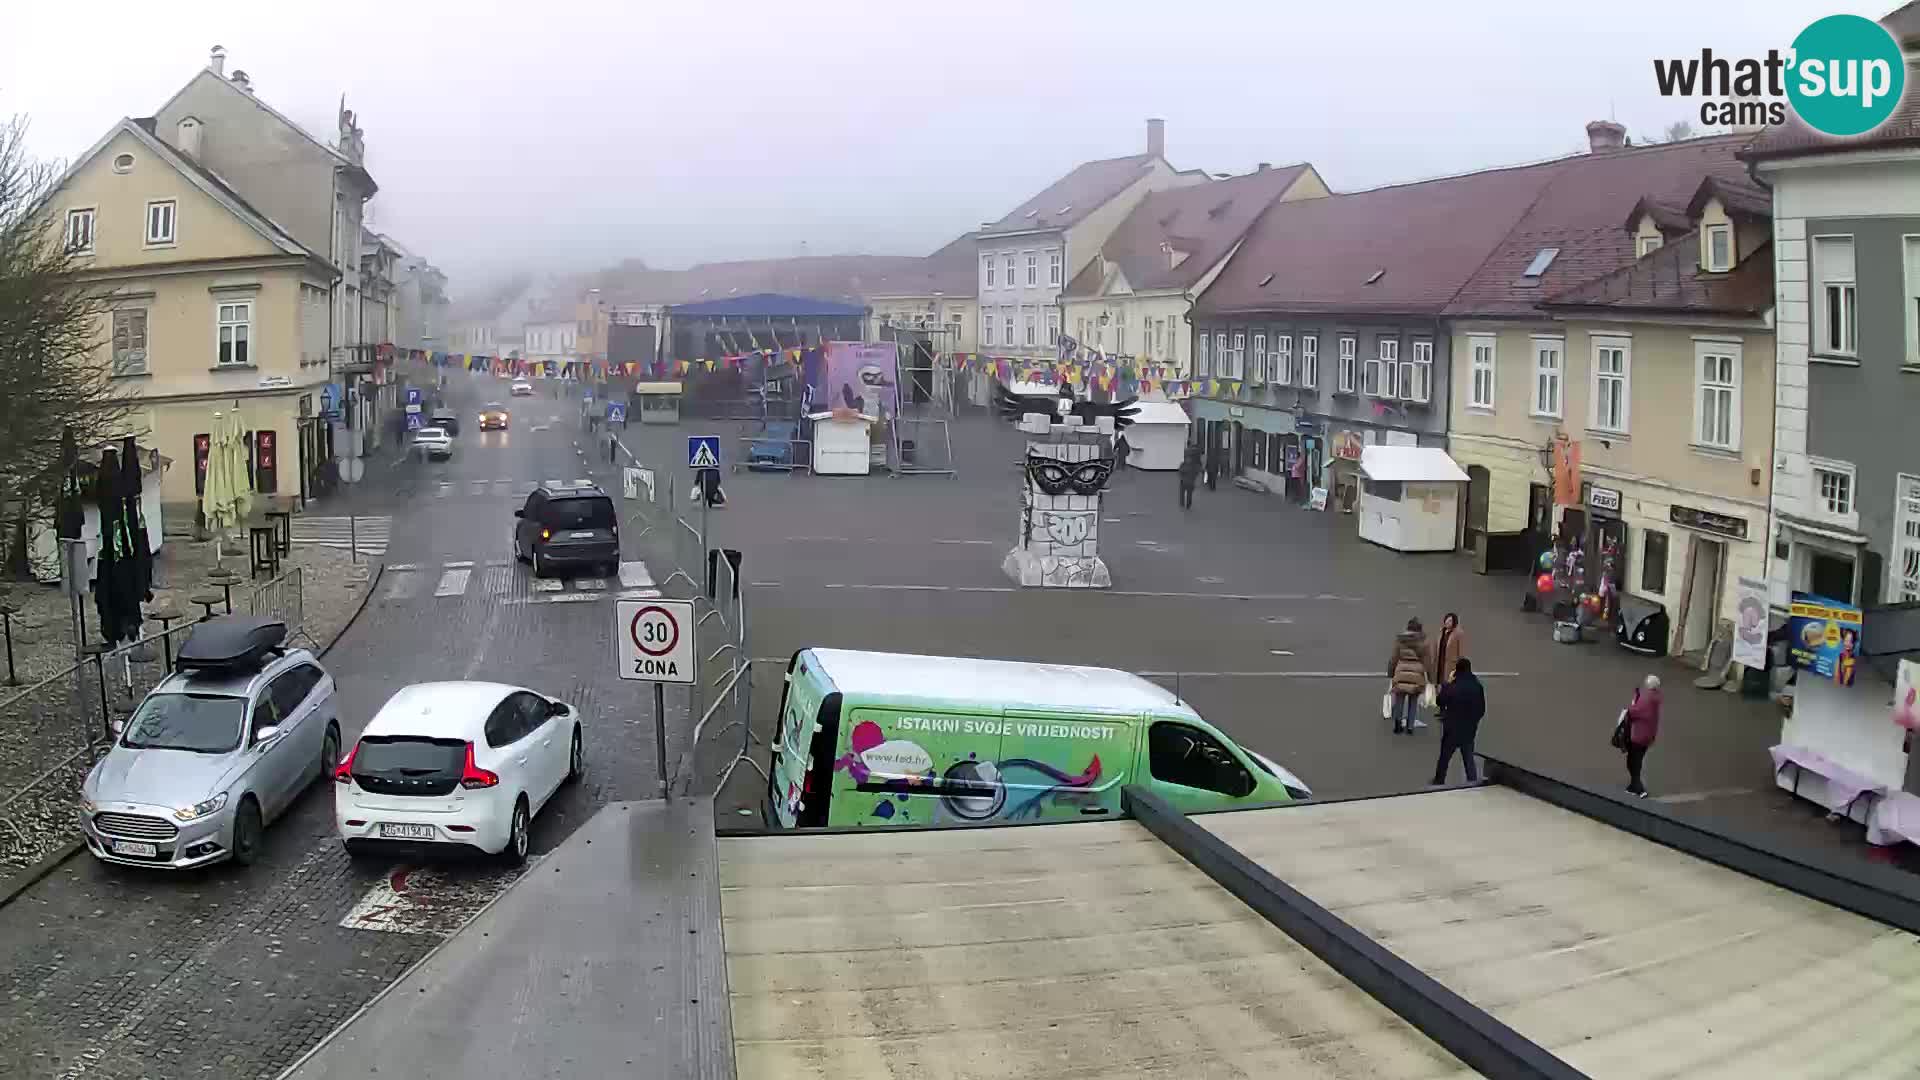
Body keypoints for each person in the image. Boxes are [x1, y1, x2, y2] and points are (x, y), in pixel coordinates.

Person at [1432, 657, 1484, 783]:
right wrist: (1474, 721)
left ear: (1456, 671)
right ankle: (1472, 781)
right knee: (1468, 757)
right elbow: (1481, 709)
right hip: (1469, 728)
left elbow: (1440, 701)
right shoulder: (1477, 686)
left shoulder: (1453, 686)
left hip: (1452, 728)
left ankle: (1439, 780)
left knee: (1444, 757)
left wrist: (1447, 684)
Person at [1387, 618, 1431, 734]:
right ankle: (1410, 727)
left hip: (1401, 672)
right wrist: (1431, 677)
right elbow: (1427, 661)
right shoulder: (1424, 642)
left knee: (1399, 699)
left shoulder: (1400, 640)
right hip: (1417, 674)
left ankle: (1397, 723)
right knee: (1413, 701)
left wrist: (1391, 673)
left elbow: (1394, 658)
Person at [1623, 674, 1662, 797]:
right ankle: (1633, 786)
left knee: (1633, 761)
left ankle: (1639, 788)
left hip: (1638, 735)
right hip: (1649, 735)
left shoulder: (1646, 699)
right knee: (1637, 759)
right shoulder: (1656, 697)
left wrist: (1633, 702)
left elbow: (1633, 712)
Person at [1431, 613, 1467, 685]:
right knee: (1439, 685)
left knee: (1450, 684)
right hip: (1440, 664)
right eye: (1446, 620)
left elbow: (1461, 652)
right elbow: (1436, 648)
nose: (1447, 622)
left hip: (1451, 665)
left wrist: (1460, 667)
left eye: (1450, 620)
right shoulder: (1441, 632)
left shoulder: (1459, 633)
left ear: (1454, 622)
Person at [1177, 444, 1201, 510]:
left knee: (1182, 493)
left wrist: (1181, 476)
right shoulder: (1194, 465)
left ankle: (1182, 504)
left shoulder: (1183, 464)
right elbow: (1196, 472)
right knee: (1189, 494)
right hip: (1190, 481)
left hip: (1184, 481)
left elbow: (1180, 471)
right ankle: (1188, 504)